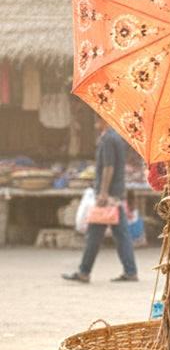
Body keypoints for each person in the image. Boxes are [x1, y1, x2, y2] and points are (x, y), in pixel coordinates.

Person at [62, 118, 138, 284]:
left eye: (98, 120)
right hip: (116, 193)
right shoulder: (117, 136)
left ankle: (84, 272)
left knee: (95, 234)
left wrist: (103, 193)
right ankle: (130, 271)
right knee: (121, 234)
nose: (96, 123)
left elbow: (108, 167)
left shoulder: (108, 139)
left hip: (108, 196)